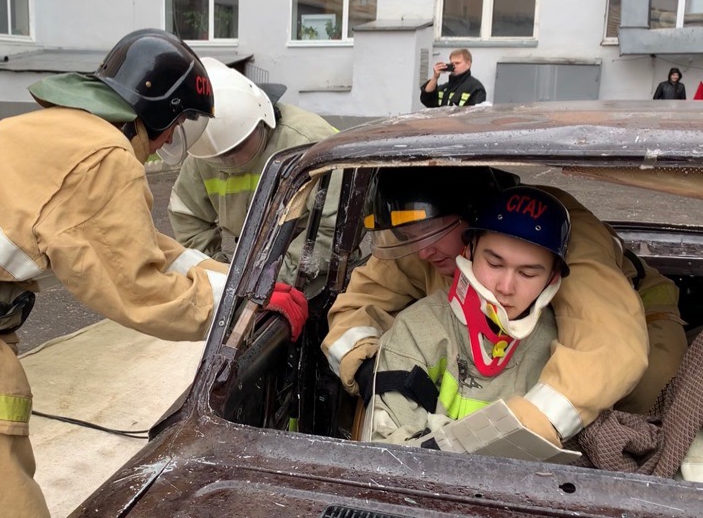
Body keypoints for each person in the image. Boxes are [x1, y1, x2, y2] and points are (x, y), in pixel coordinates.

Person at [0, 29, 308, 518]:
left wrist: (236, 281)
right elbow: (139, 289)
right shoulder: (104, 156)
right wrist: (241, 308)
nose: (163, 147)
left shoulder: (55, 129)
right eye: (175, 127)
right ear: (158, 112)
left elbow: (138, 245)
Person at [323, 167, 686, 448]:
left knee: (648, 393)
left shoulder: (562, 233)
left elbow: (609, 344)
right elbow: (361, 301)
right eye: (408, 238)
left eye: (431, 234)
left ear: (476, 217)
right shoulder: (418, 225)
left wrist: (525, 429)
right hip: (493, 336)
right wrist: (369, 363)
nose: (421, 251)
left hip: (639, 318)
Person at [359, 185, 570, 444]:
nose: (505, 287)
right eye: (494, 263)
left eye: (527, 274)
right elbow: (384, 448)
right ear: (469, 251)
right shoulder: (416, 329)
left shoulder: (562, 349)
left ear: (552, 277)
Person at [167, 57, 340, 282]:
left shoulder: (311, 143)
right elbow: (187, 216)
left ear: (263, 121)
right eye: (218, 157)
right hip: (251, 266)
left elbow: (333, 230)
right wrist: (218, 274)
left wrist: (271, 278)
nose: (229, 161)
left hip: (319, 273)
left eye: (238, 148)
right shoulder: (206, 149)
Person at [420, 48, 487, 108]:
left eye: (457, 63)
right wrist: (435, 77)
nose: (454, 66)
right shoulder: (445, 88)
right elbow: (427, 100)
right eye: (452, 64)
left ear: (468, 64)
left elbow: (476, 114)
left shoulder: (475, 88)